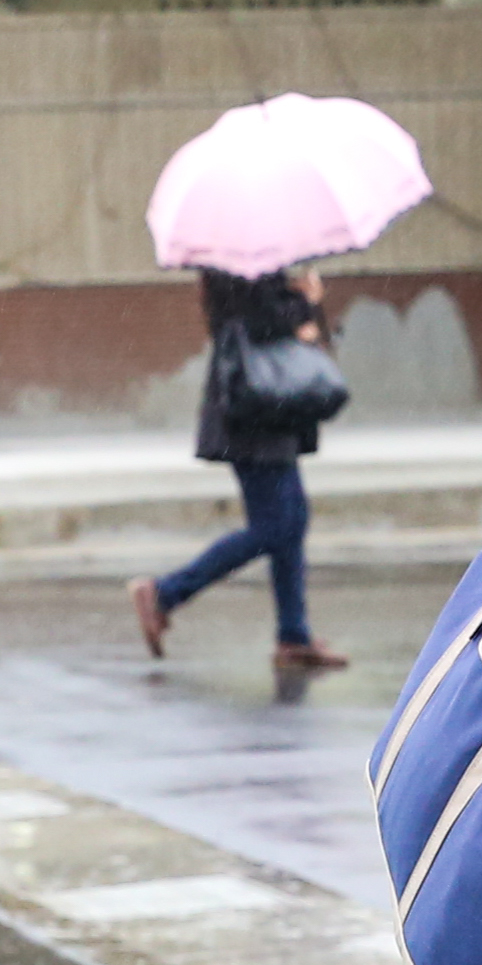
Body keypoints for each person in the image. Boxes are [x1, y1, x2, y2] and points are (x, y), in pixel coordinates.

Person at [128, 264, 347, 673]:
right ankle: (163, 594)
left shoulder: (247, 259)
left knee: (291, 519)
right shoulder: (240, 262)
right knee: (275, 526)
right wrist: (305, 302)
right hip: (253, 410)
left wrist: (296, 298)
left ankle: (294, 637)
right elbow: (259, 322)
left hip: (266, 411)